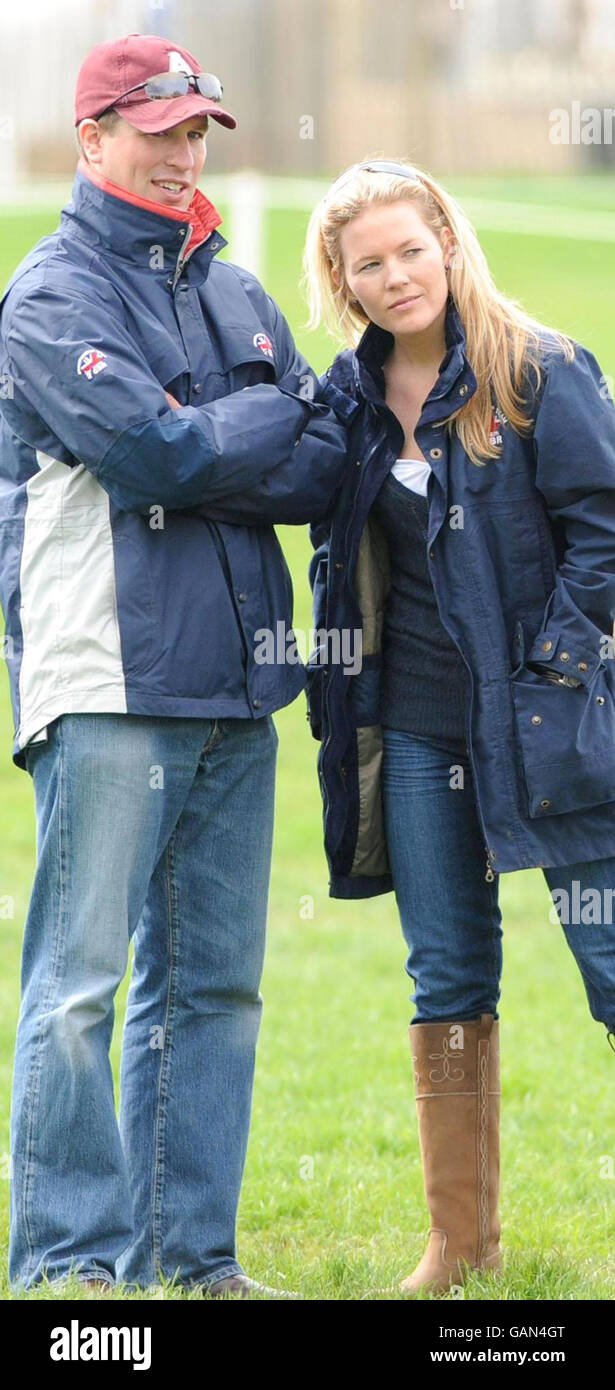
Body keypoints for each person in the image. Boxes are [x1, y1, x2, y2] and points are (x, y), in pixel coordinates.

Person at [0, 32, 347, 1298]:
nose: (182, 152)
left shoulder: (237, 289)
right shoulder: (50, 294)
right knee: (81, 991)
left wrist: (221, 438)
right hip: (109, 690)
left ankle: (191, 1258)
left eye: (197, 130)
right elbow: (155, 457)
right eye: (158, 131)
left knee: (216, 990)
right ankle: (69, 1272)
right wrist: (251, 429)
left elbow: (326, 472)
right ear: (93, 141)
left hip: (240, 689)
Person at [302, 158, 615, 1296]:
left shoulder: (538, 370)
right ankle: (461, 1244)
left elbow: (605, 532)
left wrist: (558, 668)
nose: (395, 277)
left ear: (448, 239)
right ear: (343, 282)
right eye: (367, 264)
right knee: (445, 977)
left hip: (553, 722)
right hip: (421, 733)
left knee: (614, 961)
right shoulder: (345, 402)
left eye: (409, 250)